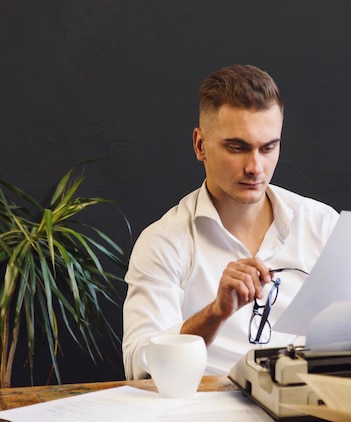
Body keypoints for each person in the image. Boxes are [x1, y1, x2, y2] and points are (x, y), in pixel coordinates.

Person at [122, 64, 339, 379]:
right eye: (237, 148)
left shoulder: (322, 225)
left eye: (268, 148)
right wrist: (215, 314)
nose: (255, 167)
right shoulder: (164, 242)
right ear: (200, 145)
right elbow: (138, 369)